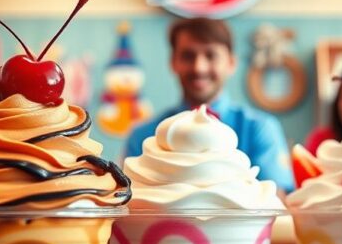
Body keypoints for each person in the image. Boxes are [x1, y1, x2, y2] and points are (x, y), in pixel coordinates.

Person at [125, 17, 294, 192]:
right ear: (173, 62)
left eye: (211, 55)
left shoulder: (260, 128)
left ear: (231, 62)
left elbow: (277, 198)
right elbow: (127, 200)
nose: (199, 67)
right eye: (188, 56)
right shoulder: (142, 136)